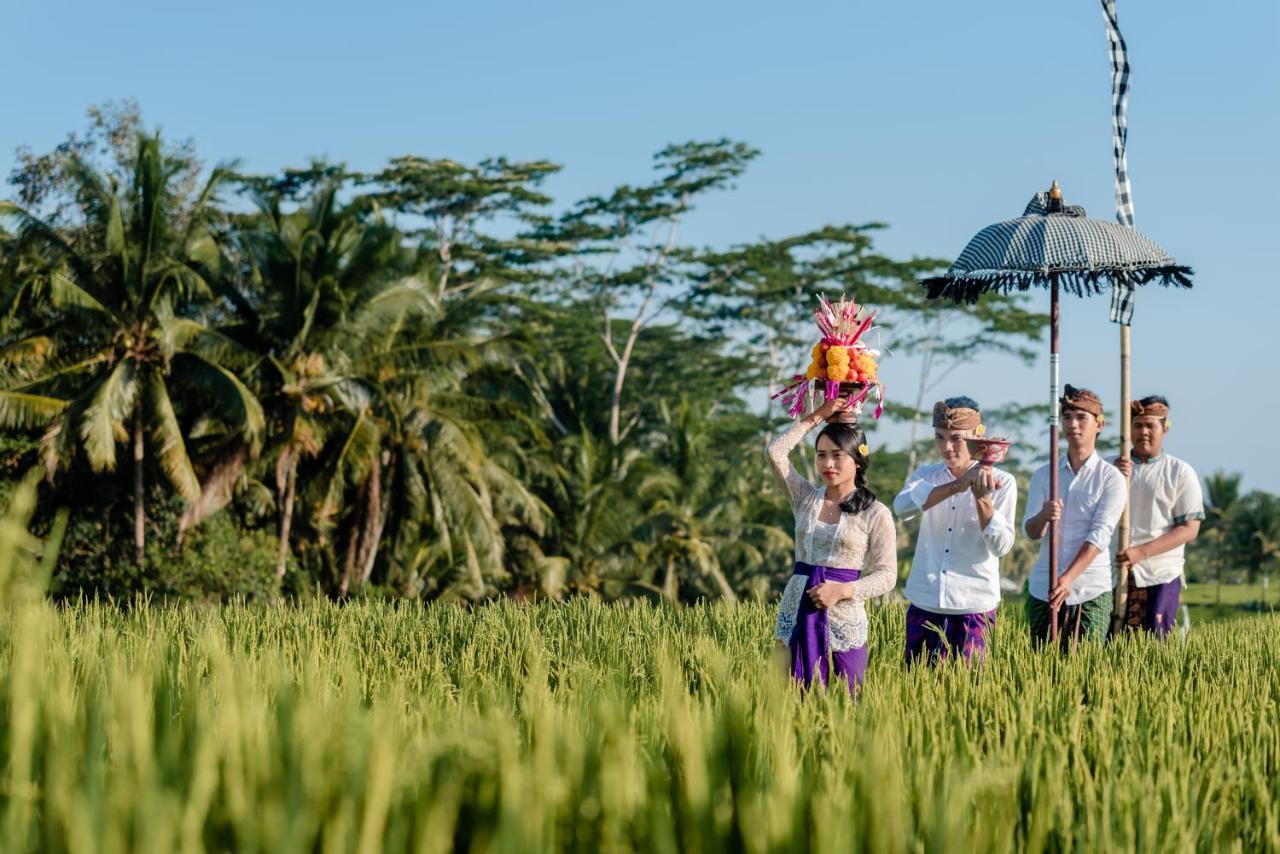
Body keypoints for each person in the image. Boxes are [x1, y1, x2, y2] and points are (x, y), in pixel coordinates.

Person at [767, 395, 897, 693]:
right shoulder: (805, 499)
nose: (827, 463)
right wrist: (817, 416)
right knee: (787, 697)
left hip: (843, 615)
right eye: (821, 454)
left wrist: (843, 590)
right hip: (797, 609)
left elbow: (887, 575)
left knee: (846, 698)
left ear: (858, 459)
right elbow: (775, 453)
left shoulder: (875, 513)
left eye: (837, 455)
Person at [894, 397, 1016, 666]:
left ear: (978, 435)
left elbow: (1001, 546)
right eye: (940, 438)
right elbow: (901, 508)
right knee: (915, 689)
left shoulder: (1004, 482)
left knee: (969, 692)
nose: (947, 447)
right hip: (925, 600)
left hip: (974, 605)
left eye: (957, 438)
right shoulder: (926, 476)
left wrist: (983, 500)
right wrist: (957, 486)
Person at [1023, 385, 1126, 648]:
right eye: (1067, 417)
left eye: (1081, 418)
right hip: (1043, 587)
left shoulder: (1110, 478)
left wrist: (1069, 578)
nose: (1073, 424)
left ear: (1099, 424)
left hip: (1089, 588)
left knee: (1085, 668)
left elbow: (1100, 535)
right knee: (1040, 666)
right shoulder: (1045, 475)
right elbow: (1031, 532)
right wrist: (1044, 516)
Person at [1113, 395, 1203, 637]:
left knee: (1154, 642)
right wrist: (1114, 476)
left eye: (1150, 425)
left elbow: (1189, 529)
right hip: (1116, 571)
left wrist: (1141, 552)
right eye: (1138, 425)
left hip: (1160, 572)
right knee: (1113, 643)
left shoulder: (1180, 472)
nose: (1143, 432)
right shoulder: (1112, 469)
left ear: (1165, 428)